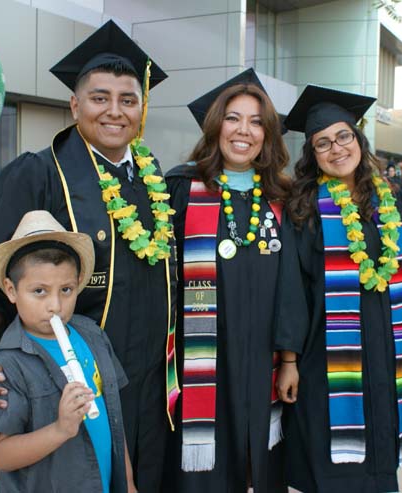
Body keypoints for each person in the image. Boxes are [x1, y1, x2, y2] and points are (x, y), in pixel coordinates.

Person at [0, 21, 175, 491]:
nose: (114, 111)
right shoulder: (37, 174)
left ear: (141, 108)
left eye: (128, 100)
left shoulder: (153, 181)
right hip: (67, 388)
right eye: (99, 97)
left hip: (151, 388)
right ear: (75, 105)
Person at [282, 85, 402, 493]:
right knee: (333, 460)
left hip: (387, 351)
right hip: (329, 360)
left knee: (382, 451)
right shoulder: (304, 208)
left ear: (358, 139)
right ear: (313, 155)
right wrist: (289, 360)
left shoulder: (392, 198)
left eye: (343, 136)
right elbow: (292, 291)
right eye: (322, 143)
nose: (336, 148)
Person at [163, 69, 305, 493]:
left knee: (258, 465)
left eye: (256, 121)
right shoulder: (181, 187)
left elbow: (291, 286)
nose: (244, 130)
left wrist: (290, 360)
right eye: (233, 118)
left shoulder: (281, 198)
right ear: (215, 126)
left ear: (268, 133)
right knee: (201, 473)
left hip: (264, 358)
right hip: (200, 359)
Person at [0, 210, 135, 492]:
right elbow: (1, 455)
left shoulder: (92, 335)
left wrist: (128, 482)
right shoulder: (7, 364)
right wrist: (60, 429)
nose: (55, 305)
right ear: (11, 290)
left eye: (66, 290)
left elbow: (114, 417)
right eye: (39, 291)